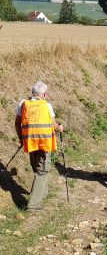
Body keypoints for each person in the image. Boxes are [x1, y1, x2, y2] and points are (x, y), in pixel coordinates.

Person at [15, 81, 64, 211]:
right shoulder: (47, 105)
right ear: (44, 94)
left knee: (37, 168)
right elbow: (54, 126)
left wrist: (21, 138)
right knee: (42, 171)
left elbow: (17, 123)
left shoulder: (23, 103)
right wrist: (60, 127)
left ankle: (42, 192)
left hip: (30, 142)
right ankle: (33, 205)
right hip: (43, 143)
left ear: (32, 93)